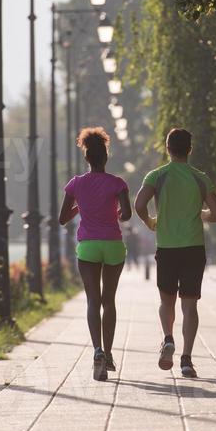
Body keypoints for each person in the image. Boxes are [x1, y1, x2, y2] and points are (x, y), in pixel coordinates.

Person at [134, 128, 216, 379]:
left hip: (167, 247)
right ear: (190, 149)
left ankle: (168, 338)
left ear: (167, 147)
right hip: (194, 247)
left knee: (167, 301)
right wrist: (202, 214)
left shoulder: (157, 176)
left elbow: (139, 205)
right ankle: (186, 360)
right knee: (190, 305)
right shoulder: (200, 178)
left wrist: (150, 222)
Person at [59, 127, 132, 381]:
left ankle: (97, 351)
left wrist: (83, 204)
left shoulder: (76, 184)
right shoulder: (118, 183)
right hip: (112, 244)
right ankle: (110, 354)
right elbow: (126, 214)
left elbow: (62, 218)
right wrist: (116, 211)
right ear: (106, 157)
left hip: (88, 245)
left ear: (87, 157)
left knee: (93, 301)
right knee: (109, 301)